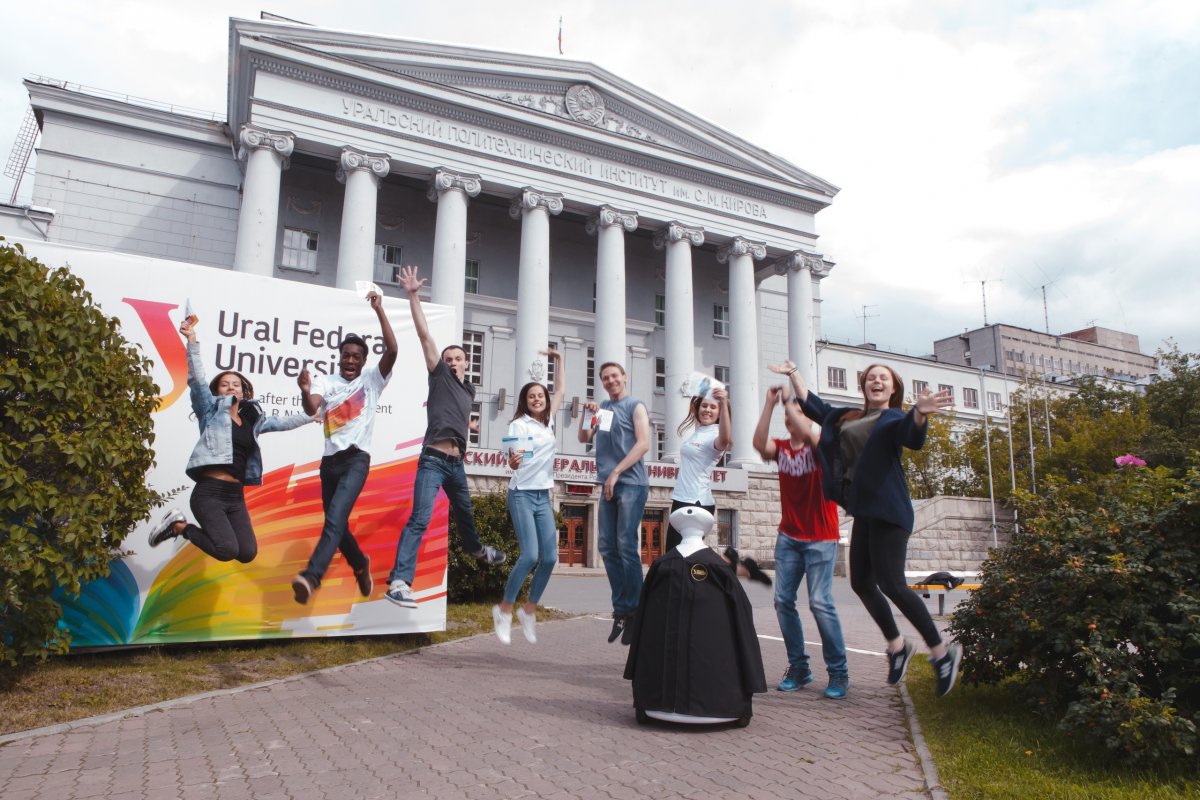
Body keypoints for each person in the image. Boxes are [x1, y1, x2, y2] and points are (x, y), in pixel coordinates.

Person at [770, 360, 962, 696]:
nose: (876, 381)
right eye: (871, 378)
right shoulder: (850, 417)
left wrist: (920, 412)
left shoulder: (894, 418)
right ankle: (897, 646)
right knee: (861, 583)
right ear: (864, 387)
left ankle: (942, 653)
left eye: (883, 378)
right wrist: (792, 373)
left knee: (892, 584)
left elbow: (912, 436)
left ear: (892, 388)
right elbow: (817, 406)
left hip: (891, 512)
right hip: (866, 513)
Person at [385, 265, 506, 609]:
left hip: (456, 465)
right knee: (420, 518)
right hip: (434, 461)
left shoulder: (468, 390)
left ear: (467, 363)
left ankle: (475, 549)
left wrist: (469, 430)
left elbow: (455, 416)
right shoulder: (438, 375)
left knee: (465, 514)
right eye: (448, 358)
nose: (452, 362)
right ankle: (399, 581)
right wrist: (413, 296)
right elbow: (425, 336)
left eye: (458, 358)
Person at [148, 319, 314, 561]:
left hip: (235, 495)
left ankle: (181, 527)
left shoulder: (252, 421)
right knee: (226, 551)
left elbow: (282, 422)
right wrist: (192, 341)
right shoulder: (209, 410)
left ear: (243, 391)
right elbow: (197, 379)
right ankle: (180, 527)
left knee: (247, 553)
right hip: (210, 493)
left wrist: (313, 415)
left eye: (235, 384)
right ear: (217, 391)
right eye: (225, 385)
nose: (231, 387)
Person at [290, 291, 398, 604]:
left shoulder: (371, 380)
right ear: (340, 357)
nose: (350, 360)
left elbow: (392, 349)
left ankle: (311, 578)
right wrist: (305, 389)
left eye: (356, 356)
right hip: (330, 464)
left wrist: (380, 310)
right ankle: (359, 563)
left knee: (335, 520)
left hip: (356, 461)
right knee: (335, 525)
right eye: (346, 355)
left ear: (364, 360)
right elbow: (312, 409)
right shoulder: (326, 382)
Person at [752, 384, 849, 700]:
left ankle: (838, 672)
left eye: (796, 413)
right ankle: (799, 668)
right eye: (788, 415)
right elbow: (757, 444)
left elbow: (810, 433)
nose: (790, 417)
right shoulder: (781, 448)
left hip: (821, 537)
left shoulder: (820, 444)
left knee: (820, 603)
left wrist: (793, 401)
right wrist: (769, 404)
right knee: (783, 602)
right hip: (789, 536)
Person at [492, 350, 565, 645]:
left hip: (542, 496)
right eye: (532, 396)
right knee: (530, 555)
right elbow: (513, 462)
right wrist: (514, 459)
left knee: (550, 558)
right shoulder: (519, 425)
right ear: (525, 401)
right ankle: (504, 609)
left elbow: (560, 390)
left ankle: (529, 610)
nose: (538, 398)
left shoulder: (547, 424)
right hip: (521, 494)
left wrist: (559, 360)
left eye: (540, 395)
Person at [578, 362, 649, 645]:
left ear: (624, 377)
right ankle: (621, 608)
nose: (610, 381)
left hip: (631, 482)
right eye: (605, 378)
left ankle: (635, 609)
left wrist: (617, 472)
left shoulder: (636, 405)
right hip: (608, 485)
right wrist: (587, 414)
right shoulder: (603, 409)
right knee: (607, 546)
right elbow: (584, 438)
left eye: (614, 376)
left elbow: (643, 443)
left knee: (625, 545)